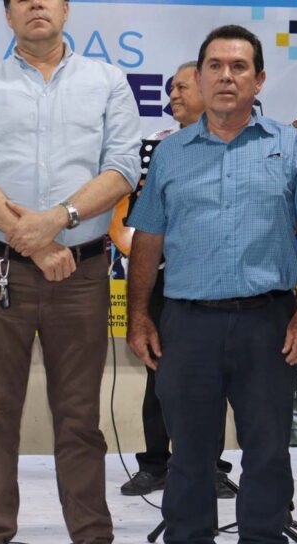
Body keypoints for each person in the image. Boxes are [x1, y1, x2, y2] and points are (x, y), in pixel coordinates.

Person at [0, 0, 140, 544]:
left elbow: (123, 165)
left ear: (64, 9)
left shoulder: (107, 80)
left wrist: (57, 221)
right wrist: (29, 237)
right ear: (7, 16)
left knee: (79, 418)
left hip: (80, 272)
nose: (37, 5)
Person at [127, 25, 297, 544]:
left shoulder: (290, 147)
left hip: (269, 322)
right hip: (187, 325)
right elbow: (147, 239)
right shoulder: (169, 156)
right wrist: (140, 315)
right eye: (214, 65)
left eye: (239, 67)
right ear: (199, 75)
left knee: (267, 454)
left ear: (258, 79)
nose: (226, 76)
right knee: (189, 456)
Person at [122, 61, 235, 500]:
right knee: (161, 375)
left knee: (219, 379)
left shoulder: (240, 145)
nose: (173, 96)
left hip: (218, 280)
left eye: (182, 88)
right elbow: (138, 222)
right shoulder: (160, 149)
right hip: (166, 282)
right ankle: (155, 463)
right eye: (170, 90)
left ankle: (212, 466)